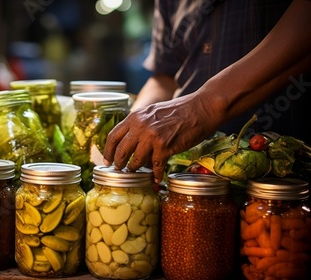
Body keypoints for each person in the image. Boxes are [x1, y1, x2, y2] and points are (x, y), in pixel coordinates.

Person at [103, 0, 311, 183]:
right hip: (190, 178)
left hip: (287, 175)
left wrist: (203, 107)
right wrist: (136, 125)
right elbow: (165, 77)